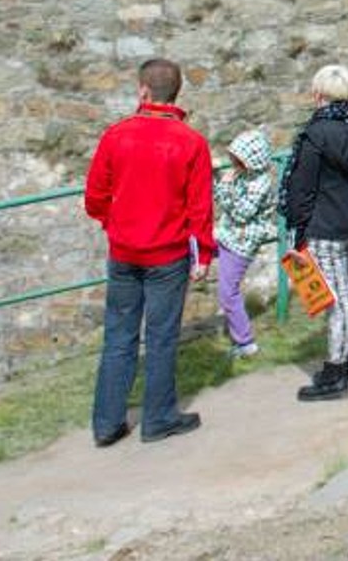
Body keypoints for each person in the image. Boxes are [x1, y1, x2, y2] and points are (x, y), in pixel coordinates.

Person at [85, 57, 215, 446]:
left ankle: (107, 423)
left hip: (124, 251)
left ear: (143, 90)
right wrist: (203, 255)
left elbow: (94, 197)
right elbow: (199, 208)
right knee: (161, 337)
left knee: (119, 336)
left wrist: (114, 223)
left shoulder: (116, 135)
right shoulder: (191, 142)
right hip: (168, 254)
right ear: (176, 92)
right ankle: (158, 417)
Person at [282, 64, 348, 402]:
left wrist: (297, 232)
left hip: (327, 225)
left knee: (336, 300)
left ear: (318, 94)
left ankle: (336, 373)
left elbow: (301, 189)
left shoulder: (315, 134)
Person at [212, 127, 276, 358]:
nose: (233, 163)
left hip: (241, 243)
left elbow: (240, 213)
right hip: (226, 234)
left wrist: (226, 186)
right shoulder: (242, 174)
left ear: (251, 161)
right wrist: (216, 181)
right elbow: (221, 200)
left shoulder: (260, 184)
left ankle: (245, 342)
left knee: (228, 293)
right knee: (191, 244)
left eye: (237, 159)